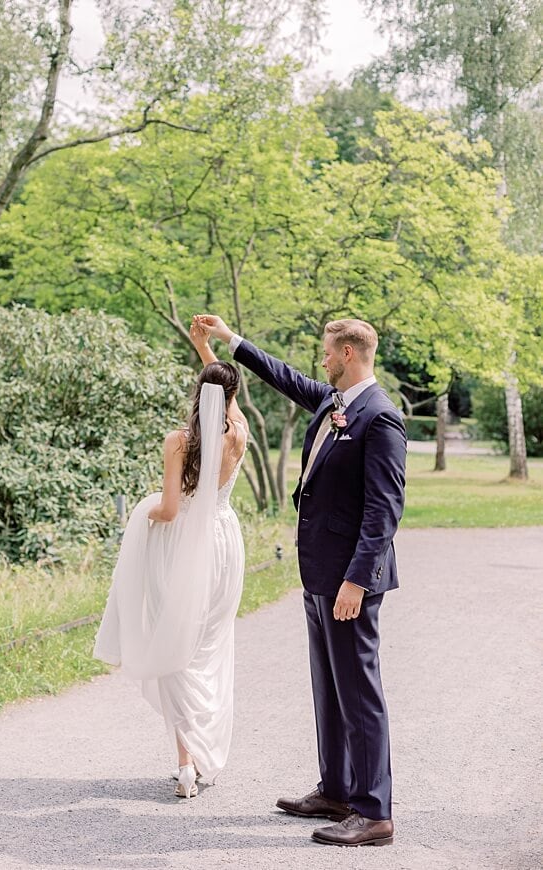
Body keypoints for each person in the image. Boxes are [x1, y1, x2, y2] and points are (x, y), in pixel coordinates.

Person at [195, 314, 404, 848]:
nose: (322, 361)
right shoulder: (336, 404)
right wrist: (229, 340)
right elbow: (284, 377)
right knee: (328, 687)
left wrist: (357, 582)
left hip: (348, 581)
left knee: (359, 693)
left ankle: (374, 811)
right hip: (318, 572)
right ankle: (336, 789)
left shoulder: (379, 419)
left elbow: (383, 513)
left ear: (350, 355)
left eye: (328, 353)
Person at [94, 318, 248, 800]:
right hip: (225, 543)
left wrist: (140, 515)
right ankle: (201, 755)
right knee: (208, 649)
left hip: (184, 547)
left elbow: (169, 508)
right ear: (229, 399)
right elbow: (226, 397)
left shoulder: (178, 442)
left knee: (176, 649)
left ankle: (186, 764)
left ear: (196, 393)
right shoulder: (238, 434)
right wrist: (207, 349)